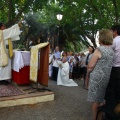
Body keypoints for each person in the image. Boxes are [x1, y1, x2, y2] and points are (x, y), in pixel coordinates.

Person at [87, 29, 114, 120]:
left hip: (97, 78)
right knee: (101, 99)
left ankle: (94, 118)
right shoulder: (111, 51)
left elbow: (90, 65)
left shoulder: (99, 49)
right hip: (106, 77)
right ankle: (99, 118)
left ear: (102, 38)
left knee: (95, 100)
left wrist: (88, 72)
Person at [105, 25, 120, 114]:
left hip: (115, 69)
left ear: (115, 31)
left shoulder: (114, 41)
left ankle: (110, 112)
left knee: (111, 90)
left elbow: (108, 54)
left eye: (111, 31)